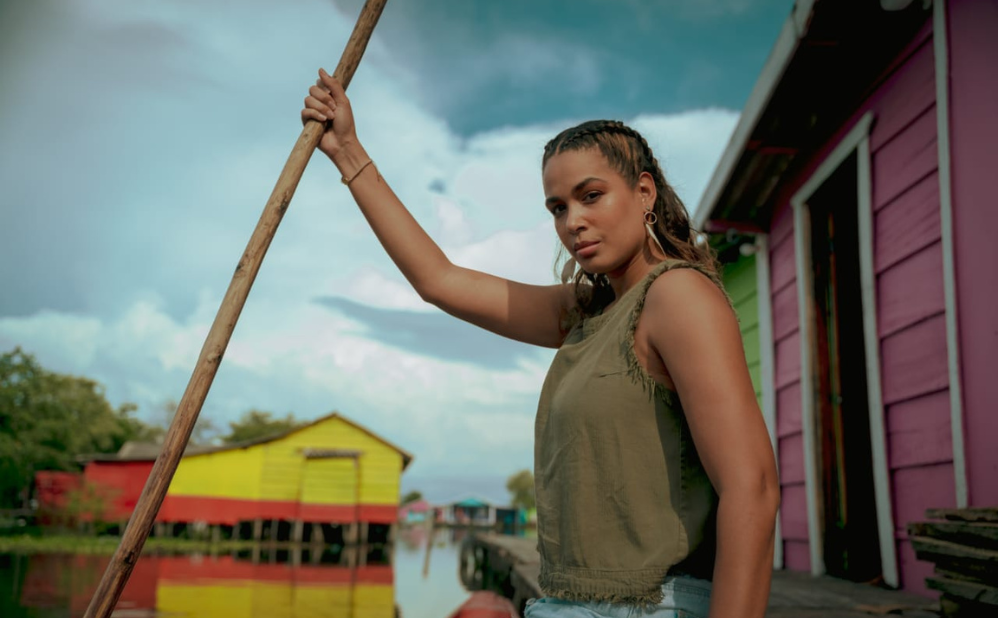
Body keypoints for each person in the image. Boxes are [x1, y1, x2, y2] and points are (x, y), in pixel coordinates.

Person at [302, 68, 780, 618]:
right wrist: (346, 152)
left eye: (591, 196)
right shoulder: (587, 310)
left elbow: (754, 486)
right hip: (565, 602)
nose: (573, 221)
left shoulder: (676, 296)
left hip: (648, 606)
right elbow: (440, 281)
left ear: (644, 191)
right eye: (557, 208)